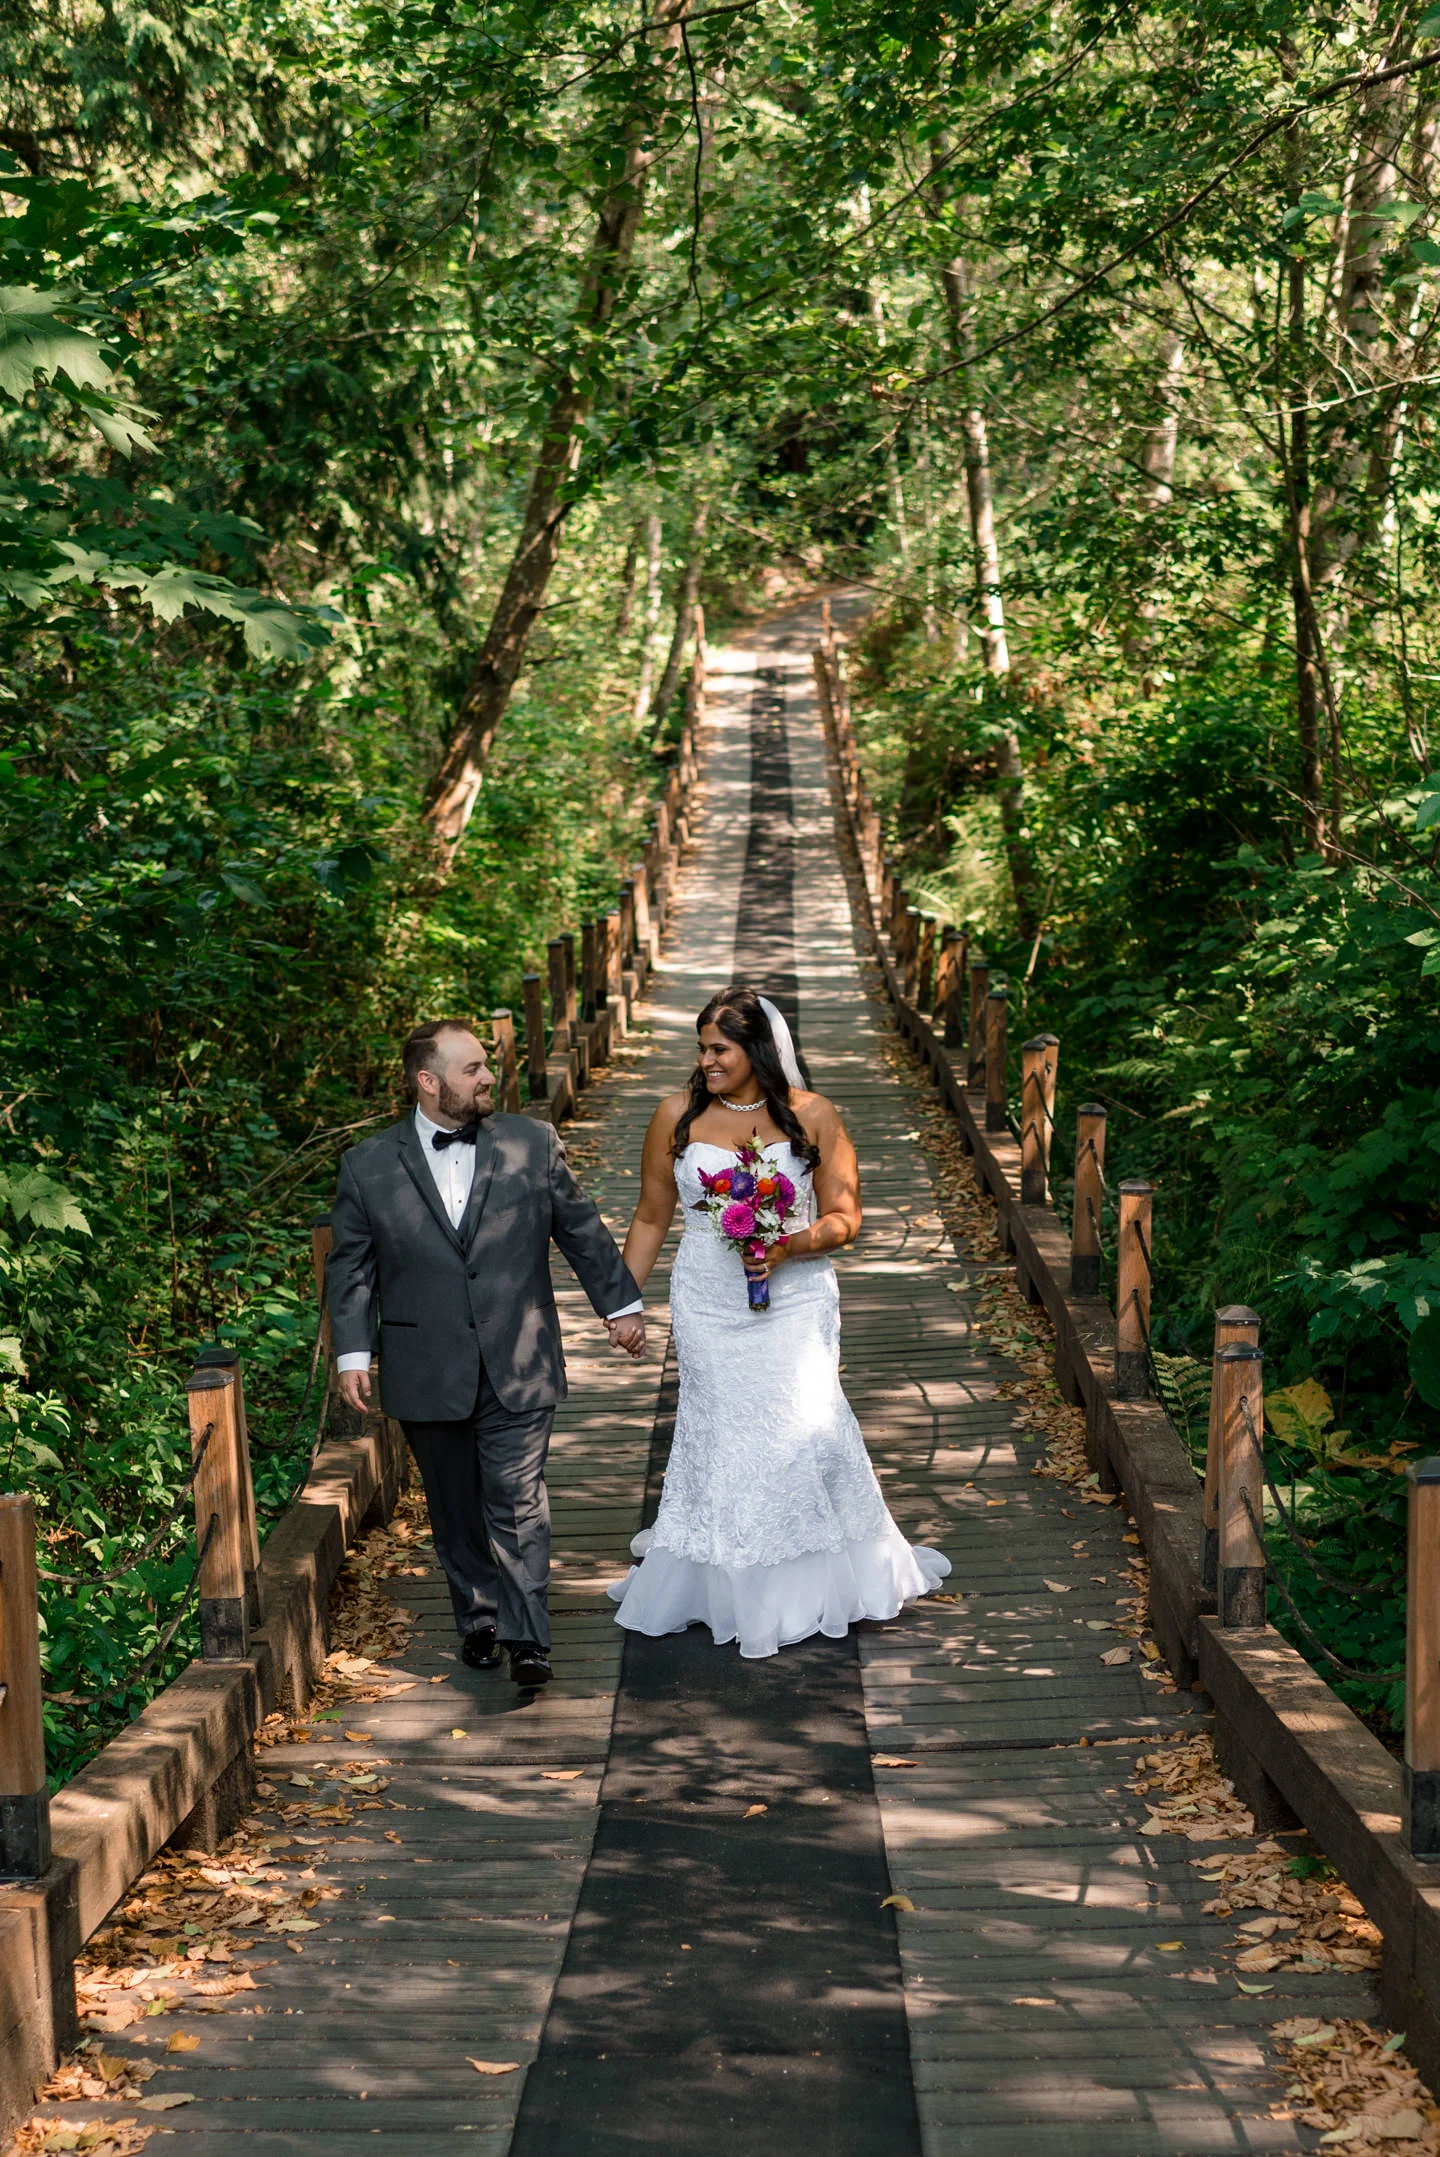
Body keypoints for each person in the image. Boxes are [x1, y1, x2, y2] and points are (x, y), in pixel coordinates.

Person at [607, 986, 949, 1657]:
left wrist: (786, 1244)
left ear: (757, 1049)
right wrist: (624, 1303)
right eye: (701, 1047)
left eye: (719, 1048)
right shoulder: (675, 1117)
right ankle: (721, 1579)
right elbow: (651, 1215)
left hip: (793, 1295)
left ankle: (806, 1583)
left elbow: (845, 1218)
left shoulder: (813, 1114)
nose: (705, 1059)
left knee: (800, 1420)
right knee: (722, 1427)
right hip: (707, 1294)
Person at [326, 1020, 645, 1689]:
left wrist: (618, 1305)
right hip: (424, 1361)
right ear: (428, 1080)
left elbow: (579, 1227)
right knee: (453, 1505)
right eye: (471, 1068)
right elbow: (351, 1269)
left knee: (517, 1497)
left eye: (485, 1065)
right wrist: (353, 1349)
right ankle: (479, 1618)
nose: (487, 1077)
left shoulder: (532, 1142)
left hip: (519, 1354)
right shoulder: (368, 1165)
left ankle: (528, 1637)